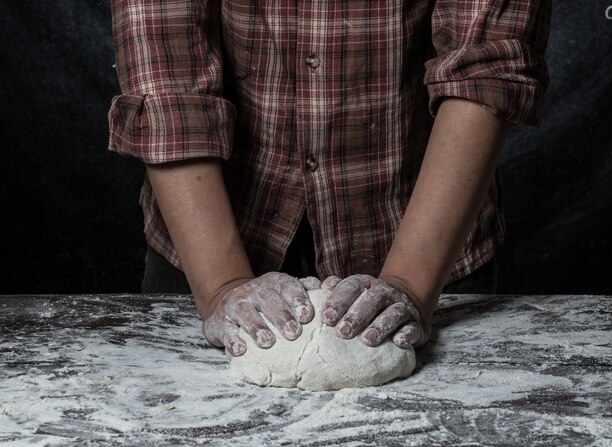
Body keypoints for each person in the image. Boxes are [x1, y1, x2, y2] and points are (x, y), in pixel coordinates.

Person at [108, 0, 551, 357]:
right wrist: (223, 288)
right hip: (207, 230)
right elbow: (167, 80)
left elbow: (486, 65)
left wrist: (410, 286)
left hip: (422, 229)